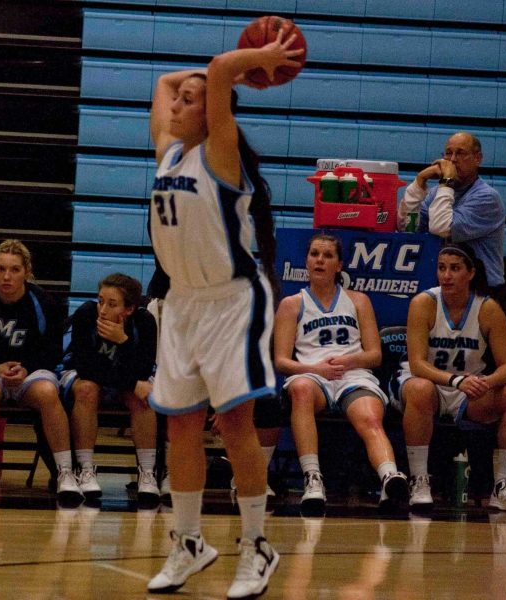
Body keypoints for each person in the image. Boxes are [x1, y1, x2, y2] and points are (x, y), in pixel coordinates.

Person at [144, 31, 302, 599]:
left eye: (194, 99)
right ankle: (189, 542)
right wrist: (220, 73)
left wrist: (247, 66)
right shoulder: (168, 150)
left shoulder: (219, 152)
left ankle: (257, 545)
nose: (178, 103)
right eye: (182, 99)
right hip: (182, 304)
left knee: (235, 423)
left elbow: (215, 70)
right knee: (180, 427)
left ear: (214, 111)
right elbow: (164, 82)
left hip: (232, 301)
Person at [391, 243, 506, 514]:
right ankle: (419, 480)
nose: (446, 275)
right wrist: (456, 380)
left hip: (468, 390)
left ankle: (503, 486)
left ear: (470, 273)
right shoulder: (424, 303)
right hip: (426, 383)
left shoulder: (487, 308)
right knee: (420, 388)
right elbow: (418, 364)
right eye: (442, 268)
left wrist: (486, 383)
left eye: (455, 269)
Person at [273, 233, 408, 516]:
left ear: (339, 265)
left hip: (353, 374)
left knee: (370, 417)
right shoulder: (292, 304)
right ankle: (313, 479)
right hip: (312, 375)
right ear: (307, 261)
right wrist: (315, 369)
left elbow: (375, 355)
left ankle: (389, 477)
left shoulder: (358, 300)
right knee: (299, 390)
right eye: (314, 254)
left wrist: (347, 361)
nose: (319, 260)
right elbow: (282, 361)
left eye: (327, 255)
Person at [0, 239, 81, 504]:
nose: (6, 276)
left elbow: (53, 351)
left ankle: (65, 472)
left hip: (30, 371)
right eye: (0, 269)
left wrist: (26, 367)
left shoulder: (44, 302)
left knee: (48, 392)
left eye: (14, 270)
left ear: (27, 271)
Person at [61, 273, 159, 501]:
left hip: (121, 377)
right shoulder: (86, 314)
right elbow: (86, 367)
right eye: (100, 301)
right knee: (88, 388)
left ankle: (147, 473)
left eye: (112, 304)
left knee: (142, 396)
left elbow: (143, 370)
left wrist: (123, 342)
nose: (102, 309)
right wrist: (132, 382)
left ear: (129, 309)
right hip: (78, 373)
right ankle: (85, 470)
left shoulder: (144, 322)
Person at [397, 132, 506, 292]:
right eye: (448, 153)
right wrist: (419, 182)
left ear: (478, 159)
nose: (453, 160)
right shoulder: (437, 193)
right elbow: (408, 228)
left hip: (481, 289)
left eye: (460, 153)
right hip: (444, 285)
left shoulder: (487, 198)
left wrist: (446, 181)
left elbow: (442, 228)